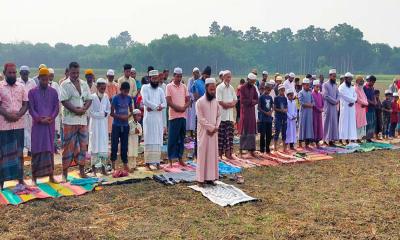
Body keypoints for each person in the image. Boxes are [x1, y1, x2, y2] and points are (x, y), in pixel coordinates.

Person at [60, 62, 93, 181]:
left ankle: (82, 171)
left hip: (82, 120)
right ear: (69, 72)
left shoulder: (84, 84)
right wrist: (75, 110)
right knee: (68, 147)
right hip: (69, 120)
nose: (75, 75)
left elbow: (89, 99)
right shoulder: (64, 84)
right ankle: (64, 174)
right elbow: (63, 101)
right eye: (73, 73)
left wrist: (84, 108)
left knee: (83, 146)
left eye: (77, 73)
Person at [0, 63, 29, 190]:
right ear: (4, 73)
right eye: (9, 73)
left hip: (19, 125)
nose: (12, 75)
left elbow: (25, 104)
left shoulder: (21, 87)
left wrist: (19, 115)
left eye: (14, 72)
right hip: (4, 126)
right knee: (3, 154)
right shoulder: (0, 86)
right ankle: (2, 182)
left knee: (19, 153)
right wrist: (8, 115)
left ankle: (20, 179)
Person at [28, 67, 59, 185]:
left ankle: (51, 176)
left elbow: (56, 107)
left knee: (49, 149)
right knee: (37, 149)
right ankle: (34, 178)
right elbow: (31, 108)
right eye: (43, 80)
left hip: (49, 126)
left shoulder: (54, 92)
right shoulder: (32, 92)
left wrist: (51, 117)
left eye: (47, 80)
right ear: (39, 78)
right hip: (38, 126)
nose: (45, 82)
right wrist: (40, 119)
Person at [195, 78, 221, 186]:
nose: (213, 91)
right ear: (206, 88)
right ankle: (201, 180)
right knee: (202, 155)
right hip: (204, 133)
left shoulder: (216, 102)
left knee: (212, 155)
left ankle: (210, 178)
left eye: (214, 90)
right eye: (211, 90)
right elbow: (201, 119)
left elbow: (219, 115)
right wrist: (211, 128)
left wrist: (216, 127)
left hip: (214, 132)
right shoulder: (199, 102)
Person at [142, 70, 167, 170]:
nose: (155, 80)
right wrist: (157, 107)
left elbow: (164, 103)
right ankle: (147, 163)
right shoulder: (145, 88)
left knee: (157, 139)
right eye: (153, 78)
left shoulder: (160, 90)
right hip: (149, 119)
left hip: (158, 119)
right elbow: (145, 101)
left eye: (157, 78)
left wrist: (155, 108)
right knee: (148, 139)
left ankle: (157, 163)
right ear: (149, 79)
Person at [166, 67, 190, 166]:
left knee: (181, 137)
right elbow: (168, 101)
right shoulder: (169, 86)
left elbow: (188, 100)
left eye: (180, 76)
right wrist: (178, 108)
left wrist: (184, 107)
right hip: (173, 116)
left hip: (183, 116)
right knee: (172, 138)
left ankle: (180, 158)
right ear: (174, 76)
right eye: (177, 76)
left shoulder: (184, 86)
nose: (179, 78)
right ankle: (170, 159)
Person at [89, 78, 110, 176]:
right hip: (95, 126)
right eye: (101, 87)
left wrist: (105, 114)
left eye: (104, 88)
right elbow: (90, 112)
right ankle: (93, 170)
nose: (103, 89)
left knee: (103, 146)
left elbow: (108, 110)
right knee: (94, 145)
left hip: (103, 126)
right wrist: (102, 114)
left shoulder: (106, 96)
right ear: (97, 87)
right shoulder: (92, 97)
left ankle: (103, 169)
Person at [110, 82, 133, 172]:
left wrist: (128, 117)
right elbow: (111, 113)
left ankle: (125, 163)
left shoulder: (129, 98)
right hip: (116, 125)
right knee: (114, 145)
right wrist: (120, 117)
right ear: (121, 90)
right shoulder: (115, 98)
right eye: (124, 91)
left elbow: (131, 111)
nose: (126, 93)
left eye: (127, 91)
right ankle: (113, 164)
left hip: (125, 125)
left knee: (124, 145)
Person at [215, 70, 237, 160]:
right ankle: (219, 155)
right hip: (222, 116)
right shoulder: (219, 88)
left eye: (230, 77)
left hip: (230, 116)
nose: (229, 79)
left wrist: (231, 105)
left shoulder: (231, 88)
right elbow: (220, 102)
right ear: (223, 77)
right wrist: (229, 105)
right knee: (221, 137)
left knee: (229, 136)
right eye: (227, 77)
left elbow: (235, 100)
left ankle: (229, 154)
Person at [192, 66, 211, 158]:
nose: (206, 77)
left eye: (208, 76)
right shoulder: (196, 83)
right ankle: (197, 153)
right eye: (205, 75)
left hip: (209, 111)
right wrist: (204, 99)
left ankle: (206, 153)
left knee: (207, 133)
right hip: (199, 110)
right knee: (199, 133)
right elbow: (195, 96)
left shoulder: (211, 83)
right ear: (203, 74)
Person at [17, 66, 36, 156]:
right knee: (23, 130)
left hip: (31, 108)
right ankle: (25, 149)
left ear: (28, 74)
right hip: (21, 109)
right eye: (23, 73)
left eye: (26, 73)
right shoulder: (17, 81)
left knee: (31, 129)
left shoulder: (32, 82)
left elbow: (35, 94)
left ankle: (30, 149)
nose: (25, 75)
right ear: (20, 73)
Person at [239, 73, 259, 158]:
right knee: (245, 129)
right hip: (245, 112)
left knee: (252, 130)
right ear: (248, 80)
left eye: (254, 81)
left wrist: (252, 102)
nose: (253, 83)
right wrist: (251, 102)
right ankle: (242, 150)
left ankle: (251, 150)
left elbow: (257, 98)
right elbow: (242, 100)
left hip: (251, 112)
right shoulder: (243, 88)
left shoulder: (254, 88)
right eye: (252, 81)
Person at [338, 72, 357, 144]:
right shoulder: (341, 87)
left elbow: (355, 95)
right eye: (349, 79)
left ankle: (350, 139)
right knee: (344, 123)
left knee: (351, 123)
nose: (350, 80)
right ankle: (342, 139)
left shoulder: (352, 87)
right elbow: (344, 96)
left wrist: (353, 101)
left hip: (351, 108)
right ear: (345, 79)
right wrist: (352, 100)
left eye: (351, 79)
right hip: (345, 107)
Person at [322, 69, 340, 146]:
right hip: (328, 107)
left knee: (333, 123)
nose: (334, 78)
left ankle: (332, 139)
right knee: (327, 122)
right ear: (330, 76)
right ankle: (326, 139)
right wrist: (335, 101)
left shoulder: (335, 85)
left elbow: (338, 94)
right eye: (333, 76)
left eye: (335, 76)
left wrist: (337, 100)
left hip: (334, 107)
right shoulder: (325, 85)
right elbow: (325, 96)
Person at [48, 68, 62, 152]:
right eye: (50, 75)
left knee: (55, 130)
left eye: (52, 75)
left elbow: (59, 98)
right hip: (46, 111)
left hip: (54, 111)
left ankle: (55, 147)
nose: (51, 77)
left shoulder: (55, 85)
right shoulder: (43, 84)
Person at [298, 78, 314, 149]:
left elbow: (313, 102)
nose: (308, 87)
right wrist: (309, 105)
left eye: (308, 85)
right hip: (304, 113)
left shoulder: (310, 93)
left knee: (308, 127)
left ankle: (307, 143)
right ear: (303, 85)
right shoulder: (300, 93)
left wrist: (312, 104)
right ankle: (300, 142)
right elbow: (301, 102)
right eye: (306, 85)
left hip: (310, 113)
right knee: (302, 126)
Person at [258, 83, 274, 154]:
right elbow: (259, 107)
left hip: (269, 119)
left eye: (270, 90)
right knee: (262, 134)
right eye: (268, 90)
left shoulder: (270, 97)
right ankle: (262, 149)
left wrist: (271, 111)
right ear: (265, 89)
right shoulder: (261, 97)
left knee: (269, 134)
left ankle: (267, 148)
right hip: (263, 118)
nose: (269, 91)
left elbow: (272, 106)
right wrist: (265, 112)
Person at [274, 84, 288, 152]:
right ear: (279, 90)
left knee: (284, 131)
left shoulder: (285, 98)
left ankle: (284, 147)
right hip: (278, 116)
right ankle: (275, 146)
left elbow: (286, 107)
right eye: (281, 90)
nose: (283, 92)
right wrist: (281, 110)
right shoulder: (276, 98)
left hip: (284, 116)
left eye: (283, 90)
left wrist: (285, 110)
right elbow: (275, 108)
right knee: (277, 131)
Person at [354, 76, 368, 142]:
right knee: (357, 124)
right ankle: (356, 138)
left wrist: (365, 103)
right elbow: (358, 99)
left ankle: (360, 138)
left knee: (362, 124)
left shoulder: (361, 89)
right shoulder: (355, 89)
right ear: (357, 81)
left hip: (362, 109)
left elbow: (365, 97)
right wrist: (366, 103)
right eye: (360, 81)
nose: (362, 82)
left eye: (362, 81)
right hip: (357, 109)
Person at [186, 67, 200, 135]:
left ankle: (197, 131)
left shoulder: (200, 80)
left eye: (198, 72)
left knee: (198, 115)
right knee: (192, 116)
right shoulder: (190, 80)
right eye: (195, 73)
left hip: (199, 101)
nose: (197, 74)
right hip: (192, 101)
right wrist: (193, 97)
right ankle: (191, 132)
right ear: (193, 73)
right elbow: (188, 90)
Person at [105, 69, 119, 136]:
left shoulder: (116, 85)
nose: (111, 77)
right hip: (106, 106)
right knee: (107, 122)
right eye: (109, 76)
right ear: (107, 76)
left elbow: (118, 95)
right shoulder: (104, 84)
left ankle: (112, 135)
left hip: (114, 106)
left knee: (113, 121)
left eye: (112, 76)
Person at [364, 75, 377, 142]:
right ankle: (366, 138)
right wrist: (372, 102)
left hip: (372, 108)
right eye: (372, 82)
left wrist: (375, 101)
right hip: (366, 108)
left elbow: (374, 95)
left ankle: (369, 137)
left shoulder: (372, 88)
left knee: (372, 123)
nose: (373, 83)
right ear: (369, 81)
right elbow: (365, 97)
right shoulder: (364, 87)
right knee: (368, 123)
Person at [312, 80, 324, 148]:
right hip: (314, 113)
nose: (318, 88)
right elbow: (313, 104)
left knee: (319, 126)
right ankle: (313, 141)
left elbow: (322, 103)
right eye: (316, 87)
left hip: (319, 113)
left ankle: (318, 141)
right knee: (314, 126)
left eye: (319, 87)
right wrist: (319, 109)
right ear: (314, 87)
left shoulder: (320, 94)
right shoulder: (312, 94)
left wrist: (322, 108)